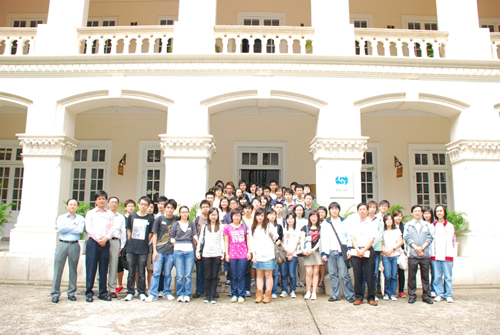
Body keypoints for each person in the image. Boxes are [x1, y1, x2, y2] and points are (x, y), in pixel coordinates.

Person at [50, 198, 85, 303]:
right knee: (58, 270)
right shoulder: (61, 217)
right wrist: (73, 227)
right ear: (67, 206)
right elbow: (60, 229)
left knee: (73, 269)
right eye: (70, 204)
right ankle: (55, 293)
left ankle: (71, 292)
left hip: (74, 244)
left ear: (77, 207)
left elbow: (80, 230)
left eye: (74, 205)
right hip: (62, 244)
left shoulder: (81, 218)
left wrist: (68, 227)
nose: (72, 206)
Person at [321, 202, 355, 303]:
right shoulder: (325, 223)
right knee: (333, 274)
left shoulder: (344, 222)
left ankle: (349, 295)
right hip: (330, 252)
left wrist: (349, 249)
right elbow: (323, 239)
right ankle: (335, 294)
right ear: (329, 210)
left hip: (341, 252)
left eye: (336, 208)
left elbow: (349, 236)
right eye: (332, 209)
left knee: (344, 274)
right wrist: (324, 253)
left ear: (339, 210)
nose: (334, 210)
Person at [146, 199, 179, 302]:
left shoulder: (176, 220)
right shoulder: (159, 219)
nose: (169, 210)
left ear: (174, 209)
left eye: (172, 208)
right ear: (165, 208)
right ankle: (153, 293)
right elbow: (154, 235)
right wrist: (154, 250)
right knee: (156, 272)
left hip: (170, 251)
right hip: (159, 251)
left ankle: (166, 292)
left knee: (168, 273)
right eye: (168, 207)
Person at [85, 190, 115, 302]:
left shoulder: (110, 214)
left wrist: (106, 238)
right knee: (91, 267)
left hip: (105, 242)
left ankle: (103, 292)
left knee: (104, 268)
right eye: (99, 199)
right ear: (96, 201)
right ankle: (89, 292)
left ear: (106, 200)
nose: (101, 201)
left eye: (103, 198)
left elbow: (112, 227)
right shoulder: (91, 213)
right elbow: (89, 228)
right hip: (93, 242)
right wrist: (98, 239)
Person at [124, 196, 154, 302]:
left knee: (142, 271)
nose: (143, 206)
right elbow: (128, 230)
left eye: (145, 205)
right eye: (141, 204)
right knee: (131, 271)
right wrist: (131, 241)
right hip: (131, 248)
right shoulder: (132, 216)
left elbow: (150, 234)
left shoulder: (150, 218)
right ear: (138, 204)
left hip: (143, 249)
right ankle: (130, 292)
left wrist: (144, 242)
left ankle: (142, 291)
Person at [403, 205, 434, 304]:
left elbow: (430, 237)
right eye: (415, 211)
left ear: (422, 213)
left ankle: (426, 295)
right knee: (412, 276)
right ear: (412, 213)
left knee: (425, 276)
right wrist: (416, 248)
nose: (417, 213)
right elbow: (406, 237)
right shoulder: (408, 225)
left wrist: (422, 248)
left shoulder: (427, 225)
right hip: (412, 254)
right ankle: (412, 295)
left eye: (419, 211)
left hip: (424, 254)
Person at [350, 202, 378, 306]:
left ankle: (371, 297)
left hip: (368, 250)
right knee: (357, 275)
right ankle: (358, 297)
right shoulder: (354, 223)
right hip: (356, 251)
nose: (362, 211)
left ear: (367, 211)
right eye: (360, 209)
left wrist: (364, 250)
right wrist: (358, 250)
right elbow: (352, 237)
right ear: (358, 211)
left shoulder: (371, 223)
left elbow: (372, 239)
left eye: (364, 209)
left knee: (370, 275)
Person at [196, 208, 225, 304]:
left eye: (215, 215)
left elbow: (222, 240)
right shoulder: (204, 226)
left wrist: (222, 252)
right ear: (209, 216)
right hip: (206, 254)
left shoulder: (220, 227)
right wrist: (198, 252)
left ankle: (212, 295)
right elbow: (200, 240)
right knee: (207, 275)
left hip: (217, 254)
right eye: (211, 214)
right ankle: (207, 295)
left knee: (214, 275)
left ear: (218, 216)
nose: (213, 216)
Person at [171, 206, 198, 302]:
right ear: (179, 213)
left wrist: (198, 243)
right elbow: (172, 237)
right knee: (179, 274)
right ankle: (180, 293)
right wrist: (177, 245)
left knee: (187, 274)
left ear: (188, 213)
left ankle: (187, 294)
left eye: (186, 212)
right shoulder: (175, 224)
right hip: (178, 251)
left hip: (189, 250)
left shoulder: (191, 224)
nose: (184, 214)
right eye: (183, 212)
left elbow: (195, 235)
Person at [224, 209, 252, 303]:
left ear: (241, 217)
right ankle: (234, 293)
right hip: (232, 255)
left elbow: (248, 240)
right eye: (235, 215)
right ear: (231, 216)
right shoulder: (227, 227)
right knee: (233, 276)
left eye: (238, 215)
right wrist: (226, 254)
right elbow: (226, 241)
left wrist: (249, 252)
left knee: (241, 275)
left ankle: (241, 294)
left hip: (243, 255)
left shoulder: (244, 227)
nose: (236, 217)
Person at [250, 208, 277, 303]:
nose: (260, 217)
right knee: (259, 275)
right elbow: (251, 242)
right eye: (258, 215)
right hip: (258, 255)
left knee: (268, 275)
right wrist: (253, 255)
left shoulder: (269, 225)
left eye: (262, 215)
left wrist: (272, 233)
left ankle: (268, 295)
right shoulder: (253, 227)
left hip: (268, 254)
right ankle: (259, 294)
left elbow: (276, 238)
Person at [431, 205, 456, 303]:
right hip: (435, 254)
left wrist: (452, 252)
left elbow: (452, 241)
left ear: (444, 212)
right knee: (437, 276)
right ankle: (439, 294)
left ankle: (448, 294)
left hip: (447, 254)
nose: (439, 213)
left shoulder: (449, 226)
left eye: (441, 211)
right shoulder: (433, 225)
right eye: (437, 211)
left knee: (448, 276)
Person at [107, 196, 126, 299]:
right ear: (108, 204)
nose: (113, 204)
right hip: (105, 241)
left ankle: (112, 289)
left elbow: (123, 232)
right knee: (103, 265)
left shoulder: (121, 217)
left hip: (115, 241)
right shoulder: (104, 215)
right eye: (112, 202)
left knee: (114, 266)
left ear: (118, 204)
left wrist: (121, 246)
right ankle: (102, 287)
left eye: (115, 202)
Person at [300, 210, 322, 300]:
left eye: (315, 216)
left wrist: (314, 249)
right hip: (307, 251)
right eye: (311, 216)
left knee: (316, 272)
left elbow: (321, 240)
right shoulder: (305, 227)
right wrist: (302, 249)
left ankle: (314, 292)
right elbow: (302, 239)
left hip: (316, 252)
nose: (313, 218)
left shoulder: (321, 228)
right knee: (308, 273)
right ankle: (308, 291)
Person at [381, 214, 403, 301]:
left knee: (394, 275)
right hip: (386, 256)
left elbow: (401, 242)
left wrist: (392, 249)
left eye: (390, 219)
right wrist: (384, 250)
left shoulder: (396, 231)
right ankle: (386, 293)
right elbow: (381, 243)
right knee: (387, 275)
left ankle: (393, 293)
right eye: (387, 220)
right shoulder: (383, 232)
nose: (389, 221)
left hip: (395, 255)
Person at [193, 200, 210, 299]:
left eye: (207, 207)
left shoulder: (213, 219)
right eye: (203, 207)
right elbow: (194, 235)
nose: (205, 209)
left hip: (210, 250)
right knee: (199, 271)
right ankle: (199, 290)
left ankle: (210, 291)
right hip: (199, 249)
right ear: (201, 208)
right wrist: (195, 249)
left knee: (210, 272)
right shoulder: (196, 220)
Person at [280, 212, 299, 298]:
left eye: (292, 218)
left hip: (293, 254)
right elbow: (281, 242)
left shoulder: (297, 230)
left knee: (292, 273)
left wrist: (291, 252)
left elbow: (297, 242)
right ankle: (284, 290)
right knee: (283, 273)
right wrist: (287, 251)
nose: (290, 220)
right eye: (288, 218)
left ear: (294, 219)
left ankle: (292, 290)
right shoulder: (283, 229)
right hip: (284, 254)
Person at [266, 208, 283, 299]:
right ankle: (266, 290)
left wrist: (278, 240)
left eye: (274, 214)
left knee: (275, 273)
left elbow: (281, 237)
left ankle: (274, 291)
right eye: (270, 214)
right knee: (267, 273)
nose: (272, 216)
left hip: (275, 251)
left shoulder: (279, 226)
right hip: (266, 251)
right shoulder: (265, 226)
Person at [423, 206, 437, 298]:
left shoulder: (435, 225)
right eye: (425, 213)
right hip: (424, 251)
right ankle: (427, 290)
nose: (427, 215)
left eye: (428, 213)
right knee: (425, 273)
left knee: (435, 272)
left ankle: (434, 289)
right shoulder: (421, 224)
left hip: (434, 251)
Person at [393, 209, 407, 298]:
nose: (398, 218)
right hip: (392, 252)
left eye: (400, 216)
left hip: (402, 252)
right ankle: (393, 290)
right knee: (393, 273)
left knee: (401, 272)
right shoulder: (390, 227)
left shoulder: (404, 227)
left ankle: (401, 290)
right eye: (396, 216)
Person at [294, 205, 307, 287]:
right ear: (294, 211)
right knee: (294, 264)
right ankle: (296, 280)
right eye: (297, 210)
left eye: (300, 210)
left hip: (302, 244)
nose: (299, 211)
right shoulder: (291, 219)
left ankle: (302, 280)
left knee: (302, 264)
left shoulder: (306, 221)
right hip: (293, 244)